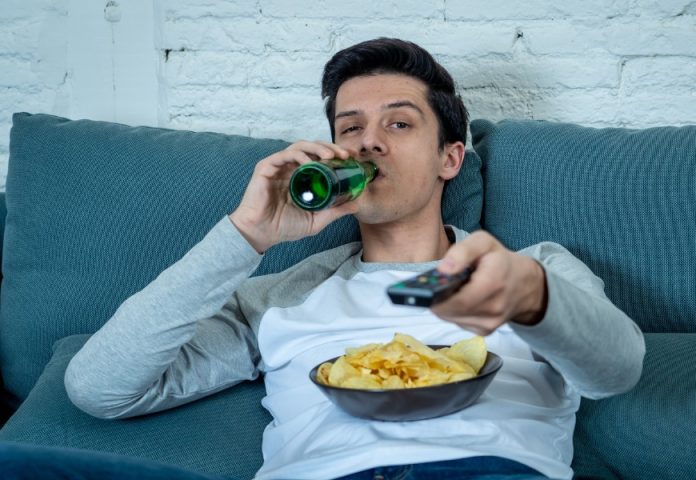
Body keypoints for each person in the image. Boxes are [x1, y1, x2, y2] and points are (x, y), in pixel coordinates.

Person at [2, 38, 645, 480]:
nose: (369, 142)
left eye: (399, 124)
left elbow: (617, 368)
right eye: (350, 128)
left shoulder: (532, 269)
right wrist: (245, 234)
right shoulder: (277, 296)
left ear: (450, 158)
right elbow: (98, 389)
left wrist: (529, 295)